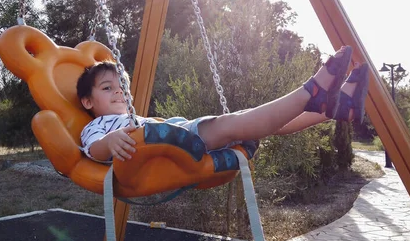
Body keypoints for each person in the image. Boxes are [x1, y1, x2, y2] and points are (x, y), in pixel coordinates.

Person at [77, 45, 369, 163]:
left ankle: (333, 108)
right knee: (234, 123)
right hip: (173, 147)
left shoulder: (132, 117)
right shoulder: (97, 125)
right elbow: (93, 149)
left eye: (122, 88)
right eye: (107, 88)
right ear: (87, 101)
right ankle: (312, 91)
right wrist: (110, 141)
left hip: (176, 134)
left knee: (249, 120)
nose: (119, 93)